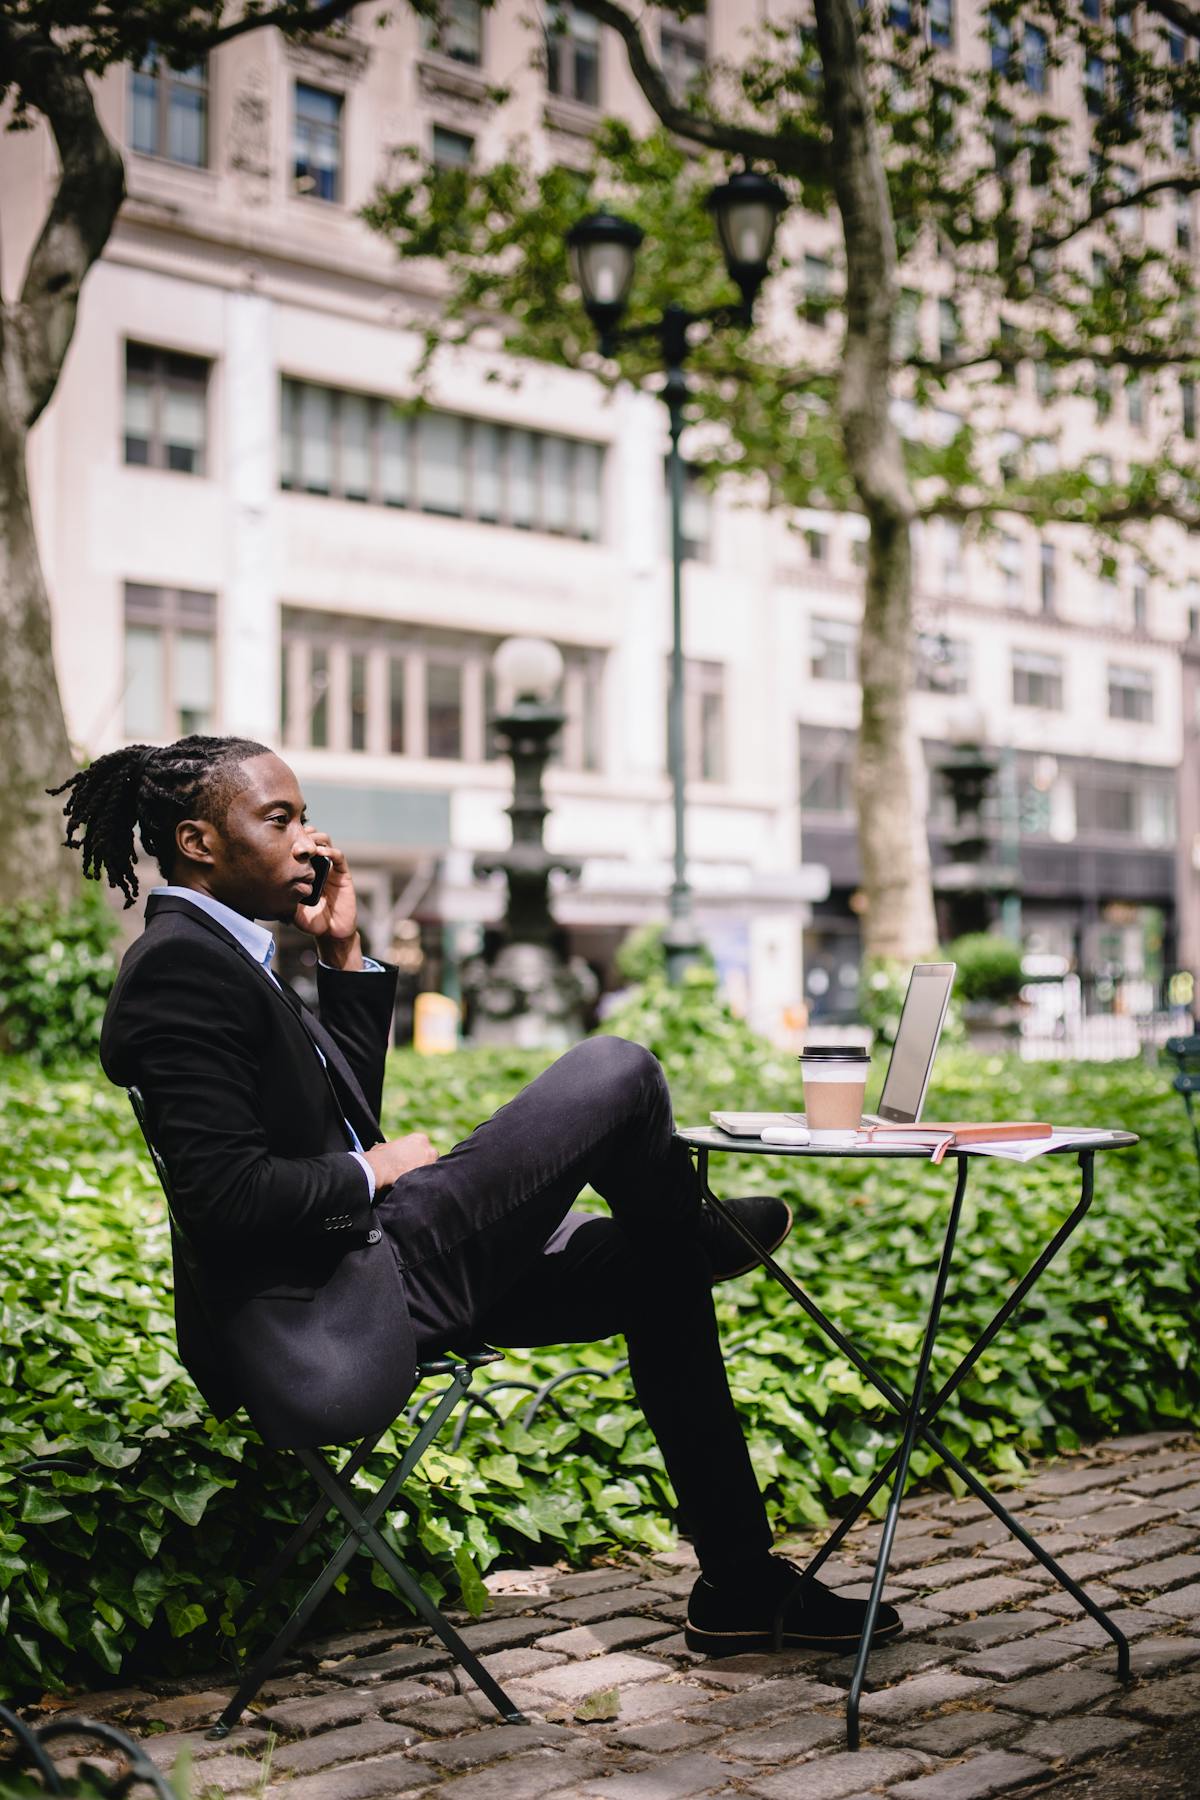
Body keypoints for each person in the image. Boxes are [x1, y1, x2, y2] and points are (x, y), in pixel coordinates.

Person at [52, 734, 901, 1656]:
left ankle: (738, 1582)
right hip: (338, 1306)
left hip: (370, 1274)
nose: (310, 839)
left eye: (304, 816)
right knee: (615, 1071)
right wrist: (374, 1173)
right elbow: (227, 1197)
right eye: (280, 819)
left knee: (656, 1271)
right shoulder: (181, 968)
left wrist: (342, 963)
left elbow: (331, 1123)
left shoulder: (229, 956)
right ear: (198, 843)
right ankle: (691, 1227)